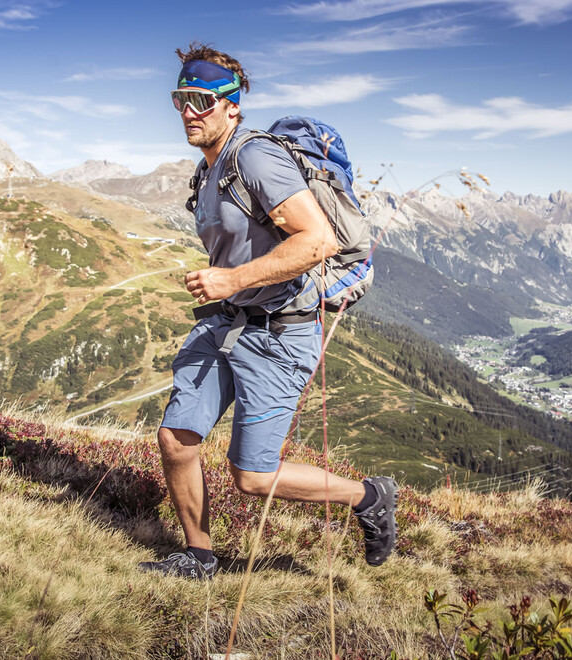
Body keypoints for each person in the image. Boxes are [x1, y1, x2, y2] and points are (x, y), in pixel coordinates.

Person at [137, 42, 398, 580]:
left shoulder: (253, 156)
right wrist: (226, 286)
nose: (189, 110)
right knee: (176, 440)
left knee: (253, 477)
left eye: (202, 100)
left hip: (279, 335)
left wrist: (231, 278)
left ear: (232, 104)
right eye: (181, 98)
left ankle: (369, 496)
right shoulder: (208, 168)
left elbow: (317, 240)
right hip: (226, 325)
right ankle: (199, 555)